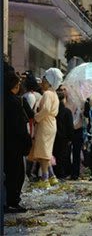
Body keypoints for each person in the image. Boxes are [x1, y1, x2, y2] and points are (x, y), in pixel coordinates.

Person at [4, 62, 32, 213]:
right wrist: (27, 142)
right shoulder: (15, 102)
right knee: (16, 174)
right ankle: (12, 202)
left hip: (7, 143)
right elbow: (20, 126)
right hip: (14, 145)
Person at [28, 68, 63, 189]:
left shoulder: (48, 94)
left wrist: (36, 117)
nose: (42, 82)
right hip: (50, 123)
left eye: (44, 80)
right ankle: (52, 176)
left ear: (49, 82)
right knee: (45, 150)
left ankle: (45, 178)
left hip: (45, 123)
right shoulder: (54, 94)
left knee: (43, 152)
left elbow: (46, 109)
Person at [53, 87, 74, 179]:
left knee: (55, 155)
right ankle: (62, 174)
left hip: (54, 136)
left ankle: (55, 174)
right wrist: (70, 138)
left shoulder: (53, 111)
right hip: (64, 138)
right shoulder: (67, 111)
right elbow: (70, 126)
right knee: (63, 157)